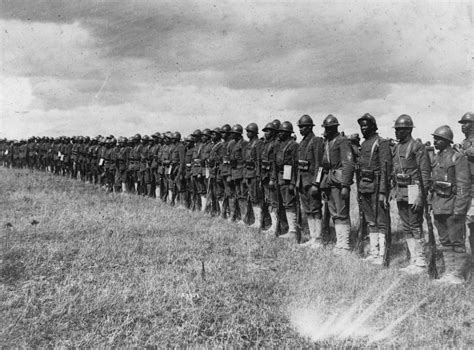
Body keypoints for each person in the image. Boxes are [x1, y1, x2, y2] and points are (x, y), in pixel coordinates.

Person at [430, 125, 470, 284]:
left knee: (457, 241)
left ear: (447, 141)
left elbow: (463, 185)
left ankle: (458, 275)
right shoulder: (436, 157)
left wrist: (459, 209)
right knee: (445, 241)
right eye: (435, 138)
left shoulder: (457, 157)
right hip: (439, 205)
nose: (435, 141)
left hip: (453, 206)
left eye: (438, 139)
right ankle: (449, 272)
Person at [392, 114, 431, 274]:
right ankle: (414, 259)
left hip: (414, 188)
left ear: (408, 130)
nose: (397, 133)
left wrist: (421, 195)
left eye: (400, 130)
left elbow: (425, 173)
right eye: (396, 130)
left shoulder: (417, 147)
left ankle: (421, 261)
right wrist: (393, 189)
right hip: (400, 188)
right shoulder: (396, 147)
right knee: (406, 225)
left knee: (415, 224)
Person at [356, 113, 392, 263]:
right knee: (371, 220)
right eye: (361, 126)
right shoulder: (364, 144)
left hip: (377, 186)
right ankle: (374, 252)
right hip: (364, 186)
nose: (363, 128)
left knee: (381, 220)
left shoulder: (381, 143)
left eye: (366, 125)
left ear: (373, 126)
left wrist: (383, 192)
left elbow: (385, 169)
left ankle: (382, 255)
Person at [319, 115, 355, 254]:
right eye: (325, 128)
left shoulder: (342, 142)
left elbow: (348, 164)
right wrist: (322, 184)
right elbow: (323, 166)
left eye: (328, 128)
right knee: (334, 213)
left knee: (342, 212)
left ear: (335, 128)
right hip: (328, 181)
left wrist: (345, 185)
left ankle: (344, 245)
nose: (326, 130)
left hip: (339, 183)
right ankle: (339, 243)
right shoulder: (327, 143)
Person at [296, 115, 324, 248]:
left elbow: (319, 165)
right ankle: (313, 237)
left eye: (303, 127)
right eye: (299, 127)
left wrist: (316, 184)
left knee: (315, 209)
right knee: (308, 210)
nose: (300, 129)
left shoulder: (316, 141)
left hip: (311, 183)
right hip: (302, 182)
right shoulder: (302, 143)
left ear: (310, 127)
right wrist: (297, 181)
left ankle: (318, 239)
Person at [274, 121, 299, 241]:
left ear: (288, 133)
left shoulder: (293, 145)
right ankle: (287, 228)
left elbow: (295, 165)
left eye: (282, 132)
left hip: (288, 178)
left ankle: (293, 231)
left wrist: (293, 183)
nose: (279, 134)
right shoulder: (280, 145)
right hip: (281, 177)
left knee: (289, 204)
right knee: (284, 203)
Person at [458, 112, 474, 274]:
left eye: (466, 123)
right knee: (470, 225)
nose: (463, 125)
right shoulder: (464, 142)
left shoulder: (467, 144)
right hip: (467, 188)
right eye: (462, 123)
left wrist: (464, 150)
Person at [260, 121, 280, 235]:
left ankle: (275, 227)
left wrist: (273, 178)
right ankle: (273, 225)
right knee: (269, 201)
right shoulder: (266, 144)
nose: (266, 133)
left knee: (274, 202)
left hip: (271, 177)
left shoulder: (275, 144)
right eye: (265, 131)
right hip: (265, 176)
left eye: (268, 131)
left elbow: (274, 163)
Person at [243, 123, 262, 228]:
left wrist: (258, 176)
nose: (247, 133)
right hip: (248, 173)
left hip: (254, 174)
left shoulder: (258, 143)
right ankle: (255, 220)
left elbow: (258, 160)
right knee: (252, 197)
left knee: (256, 198)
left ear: (254, 132)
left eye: (249, 131)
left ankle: (259, 221)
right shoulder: (249, 144)